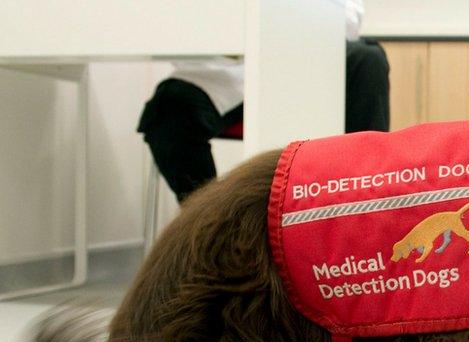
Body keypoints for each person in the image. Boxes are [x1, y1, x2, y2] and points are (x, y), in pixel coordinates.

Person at [137, 0, 389, 203]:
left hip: (300, 59)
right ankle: (216, 233)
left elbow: (348, 18)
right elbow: (171, 23)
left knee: (367, 60)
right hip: (217, 73)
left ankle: (362, 204)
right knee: (168, 112)